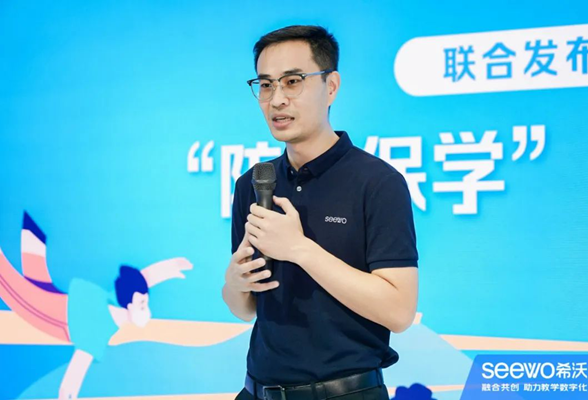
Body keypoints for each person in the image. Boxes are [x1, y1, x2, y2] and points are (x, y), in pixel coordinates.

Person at [222, 25, 419, 400]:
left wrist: (299, 249)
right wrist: (234, 282)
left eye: (292, 81)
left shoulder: (377, 182)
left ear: (331, 86)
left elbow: (399, 311)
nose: (277, 99)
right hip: (257, 389)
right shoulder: (254, 183)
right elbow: (245, 308)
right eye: (265, 85)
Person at [0, 211, 193, 400]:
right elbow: (71, 381)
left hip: (66, 304)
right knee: (14, 286)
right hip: (55, 315)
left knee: (36, 281)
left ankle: (32, 235)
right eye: (143, 306)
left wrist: (172, 267)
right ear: (129, 305)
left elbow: (142, 280)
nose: (148, 313)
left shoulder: (117, 298)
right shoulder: (98, 332)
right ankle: (32, 237)